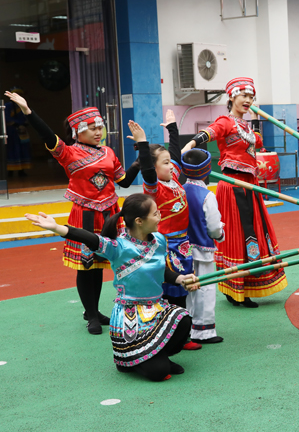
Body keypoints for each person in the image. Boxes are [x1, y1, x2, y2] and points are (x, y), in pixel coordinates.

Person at [6, 91, 139, 335]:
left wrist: (140, 158)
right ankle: (90, 315)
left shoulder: (108, 152)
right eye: (91, 128)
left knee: (99, 264)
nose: (98, 132)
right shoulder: (67, 153)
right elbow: (47, 135)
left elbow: (125, 181)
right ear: (78, 131)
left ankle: (95, 311)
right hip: (85, 214)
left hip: (109, 214)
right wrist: (28, 111)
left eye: (100, 127)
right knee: (85, 265)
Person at [26, 193, 195, 382]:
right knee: (158, 373)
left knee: (184, 320)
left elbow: (160, 270)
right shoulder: (118, 247)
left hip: (156, 308)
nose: (160, 217)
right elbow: (91, 239)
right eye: (155, 214)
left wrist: (180, 278)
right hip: (130, 315)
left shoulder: (159, 240)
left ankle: (152, 355)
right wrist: (57, 228)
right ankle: (133, 359)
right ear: (139, 221)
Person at [182, 77, 285, 308]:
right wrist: (192, 143)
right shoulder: (226, 121)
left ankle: (246, 285)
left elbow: (254, 144)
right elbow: (211, 131)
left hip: (251, 185)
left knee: (254, 236)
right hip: (233, 185)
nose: (248, 100)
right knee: (238, 235)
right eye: (244, 96)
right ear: (232, 97)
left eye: (251, 97)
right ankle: (234, 287)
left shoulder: (248, 126)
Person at [137, 113, 194, 313]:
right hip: (167, 245)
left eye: (170, 162)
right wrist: (143, 144)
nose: (171, 165)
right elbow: (147, 171)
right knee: (171, 290)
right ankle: (172, 332)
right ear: (154, 168)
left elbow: (176, 155)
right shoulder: (154, 188)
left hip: (183, 243)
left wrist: (172, 128)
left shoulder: (174, 178)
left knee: (184, 289)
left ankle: (183, 329)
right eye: (165, 163)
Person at [181, 149, 225, 345]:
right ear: (207, 170)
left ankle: (186, 327)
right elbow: (214, 226)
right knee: (205, 288)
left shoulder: (179, 190)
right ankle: (203, 331)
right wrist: (220, 235)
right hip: (202, 248)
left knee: (187, 289)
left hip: (181, 249)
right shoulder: (207, 195)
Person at [4, 87, 31, 176]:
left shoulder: (23, 105)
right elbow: (7, 117)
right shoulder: (8, 106)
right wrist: (17, 124)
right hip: (12, 131)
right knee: (13, 149)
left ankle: (22, 170)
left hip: (22, 131)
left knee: (23, 149)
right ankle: (10, 171)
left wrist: (23, 124)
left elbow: (28, 116)